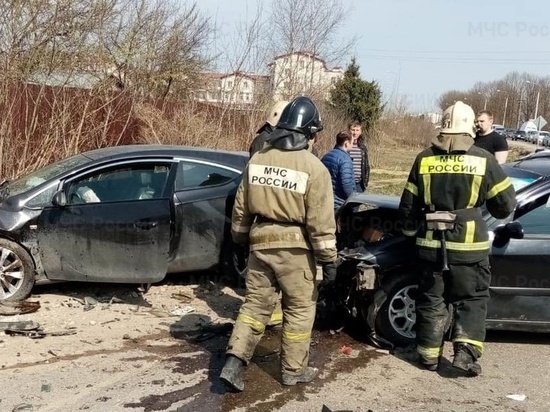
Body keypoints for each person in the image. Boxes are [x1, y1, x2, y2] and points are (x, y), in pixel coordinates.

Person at [220, 96, 337, 392]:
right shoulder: (314, 168)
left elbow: (241, 208)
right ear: (310, 134)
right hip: (296, 251)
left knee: (254, 307)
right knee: (299, 310)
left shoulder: (258, 160)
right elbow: (321, 223)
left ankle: (233, 362)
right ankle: (293, 371)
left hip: (260, 245)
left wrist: (238, 241)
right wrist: (328, 260)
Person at [399, 101, 516, 376]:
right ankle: (464, 355)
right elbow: (505, 204)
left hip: (430, 245)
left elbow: (408, 207)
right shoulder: (483, 159)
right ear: (470, 127)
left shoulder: (424, 158)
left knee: (431, 300)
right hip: (469, 248)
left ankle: (427, 356)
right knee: (471, 299)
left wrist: (409, 235)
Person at [321, 131, 355, 211]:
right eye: (352, 142)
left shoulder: (327, 155)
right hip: (339, 203)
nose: (353, 145)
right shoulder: (345, 160)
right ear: (346, 143)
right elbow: (346, 184)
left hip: (326, 198)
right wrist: (353, 199)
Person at [348, 121, 370, 192]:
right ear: (349, 130)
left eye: (357, 130)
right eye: (353, 130)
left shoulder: (362, 147)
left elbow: (366, 166)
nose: (355, 133)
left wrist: (365, 183)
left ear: (360, 132)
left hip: (359, 184)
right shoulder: (344, 145)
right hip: (347, 182)